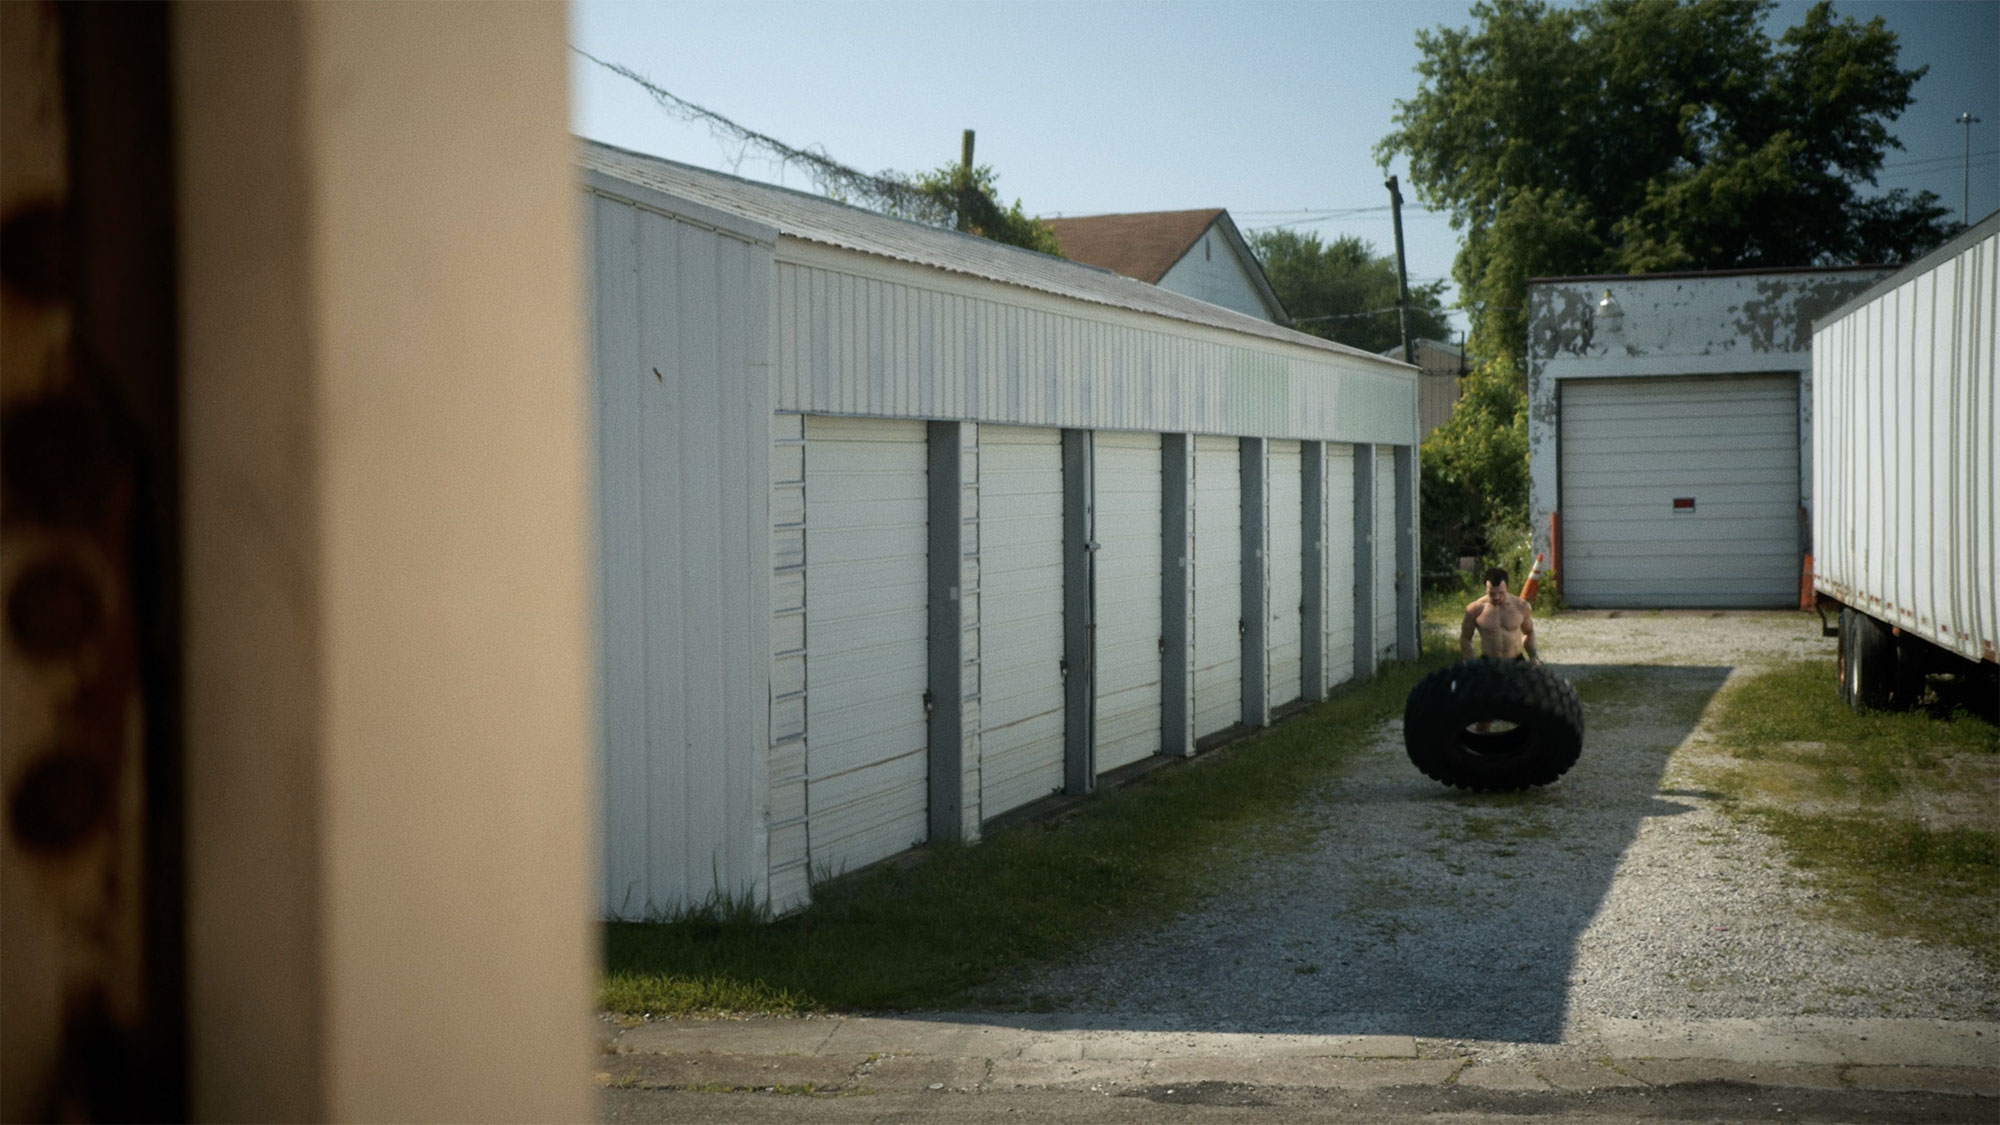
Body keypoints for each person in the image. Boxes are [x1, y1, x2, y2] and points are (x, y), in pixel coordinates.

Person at [1461, 565, 1539, 664]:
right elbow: (1465, 637)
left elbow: (1529, 632)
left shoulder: (1521, 606)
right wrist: (1470, 659)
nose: (1496, 597)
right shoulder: (1475, 609)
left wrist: (1532, 656)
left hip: (1515, 661)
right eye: (1492, 593)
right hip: (1489, 663)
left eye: (1501, 593)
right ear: (1486, 588)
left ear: (1506, 587)